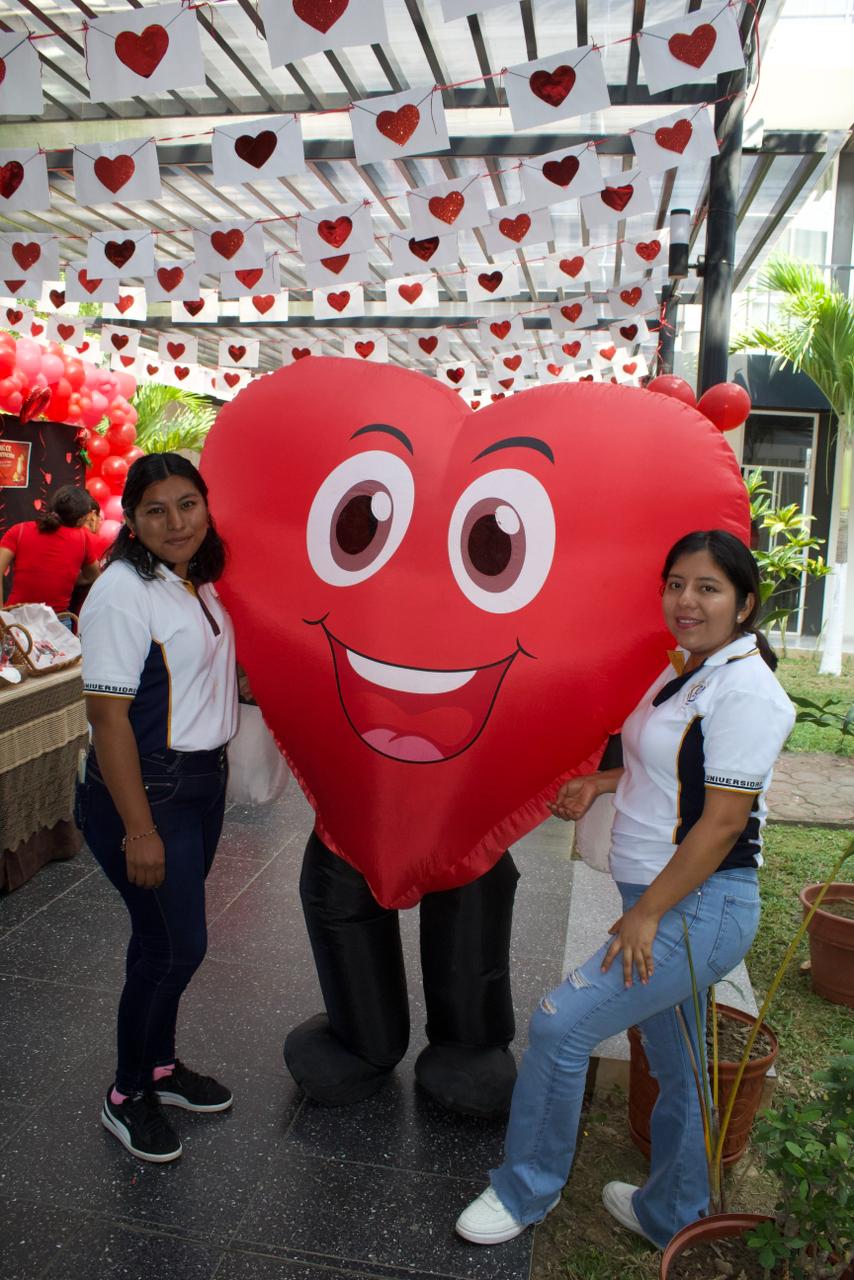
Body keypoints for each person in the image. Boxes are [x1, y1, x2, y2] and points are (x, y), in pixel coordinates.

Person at [455, 529, 795, 1249]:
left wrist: (647, 913)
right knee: (678, 1062)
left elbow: (724, 822)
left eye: (708, 588)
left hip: (696, 906)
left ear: (745, 604)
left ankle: (525, 1192)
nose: (686, 601)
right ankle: (674, 1209)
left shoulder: (746, 691)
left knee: (559, 1024)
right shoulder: (689, 672)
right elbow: (672, 769)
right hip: (667, 896)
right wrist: (602, 780)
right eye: (676, 584)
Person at [77, 452, 238, 1164]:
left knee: (159, 938)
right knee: (176, 946)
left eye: (188, 504)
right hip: (145, 792)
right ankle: (125, 1094)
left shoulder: (192, 580)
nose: (176, 522)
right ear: (132, 524)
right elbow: (109, 720)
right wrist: (138, 829)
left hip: (200, 782)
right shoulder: (121, 591)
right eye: (156, 511)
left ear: (207, 505)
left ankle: (161, 1069)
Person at [0, 484, 100, 613]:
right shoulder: (83, 538)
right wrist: (64, 576)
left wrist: (2, 614)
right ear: (82, 518)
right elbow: (93, 576)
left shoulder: (19, 530)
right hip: (56, 621)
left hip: (16, 617)